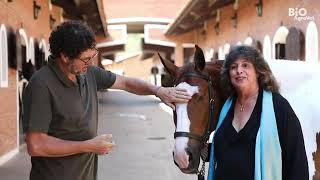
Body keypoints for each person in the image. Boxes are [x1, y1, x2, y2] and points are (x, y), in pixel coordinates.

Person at [22, 21, 191, 180]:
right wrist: (88, 146)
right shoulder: (41, 85)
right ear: (65, 56)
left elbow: (125, 82)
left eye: (92, 56)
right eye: (85, 59)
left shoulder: (87, 73)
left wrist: (158, 90)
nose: (90, 63)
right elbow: (36, 145)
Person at [207, 45, 308, 180]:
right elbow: (228, 148)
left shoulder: (279, 107)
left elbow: (297, 160)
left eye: (245, 65)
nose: (239, 71)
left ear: (258, 71)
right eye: (233, 67)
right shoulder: (226, 107)